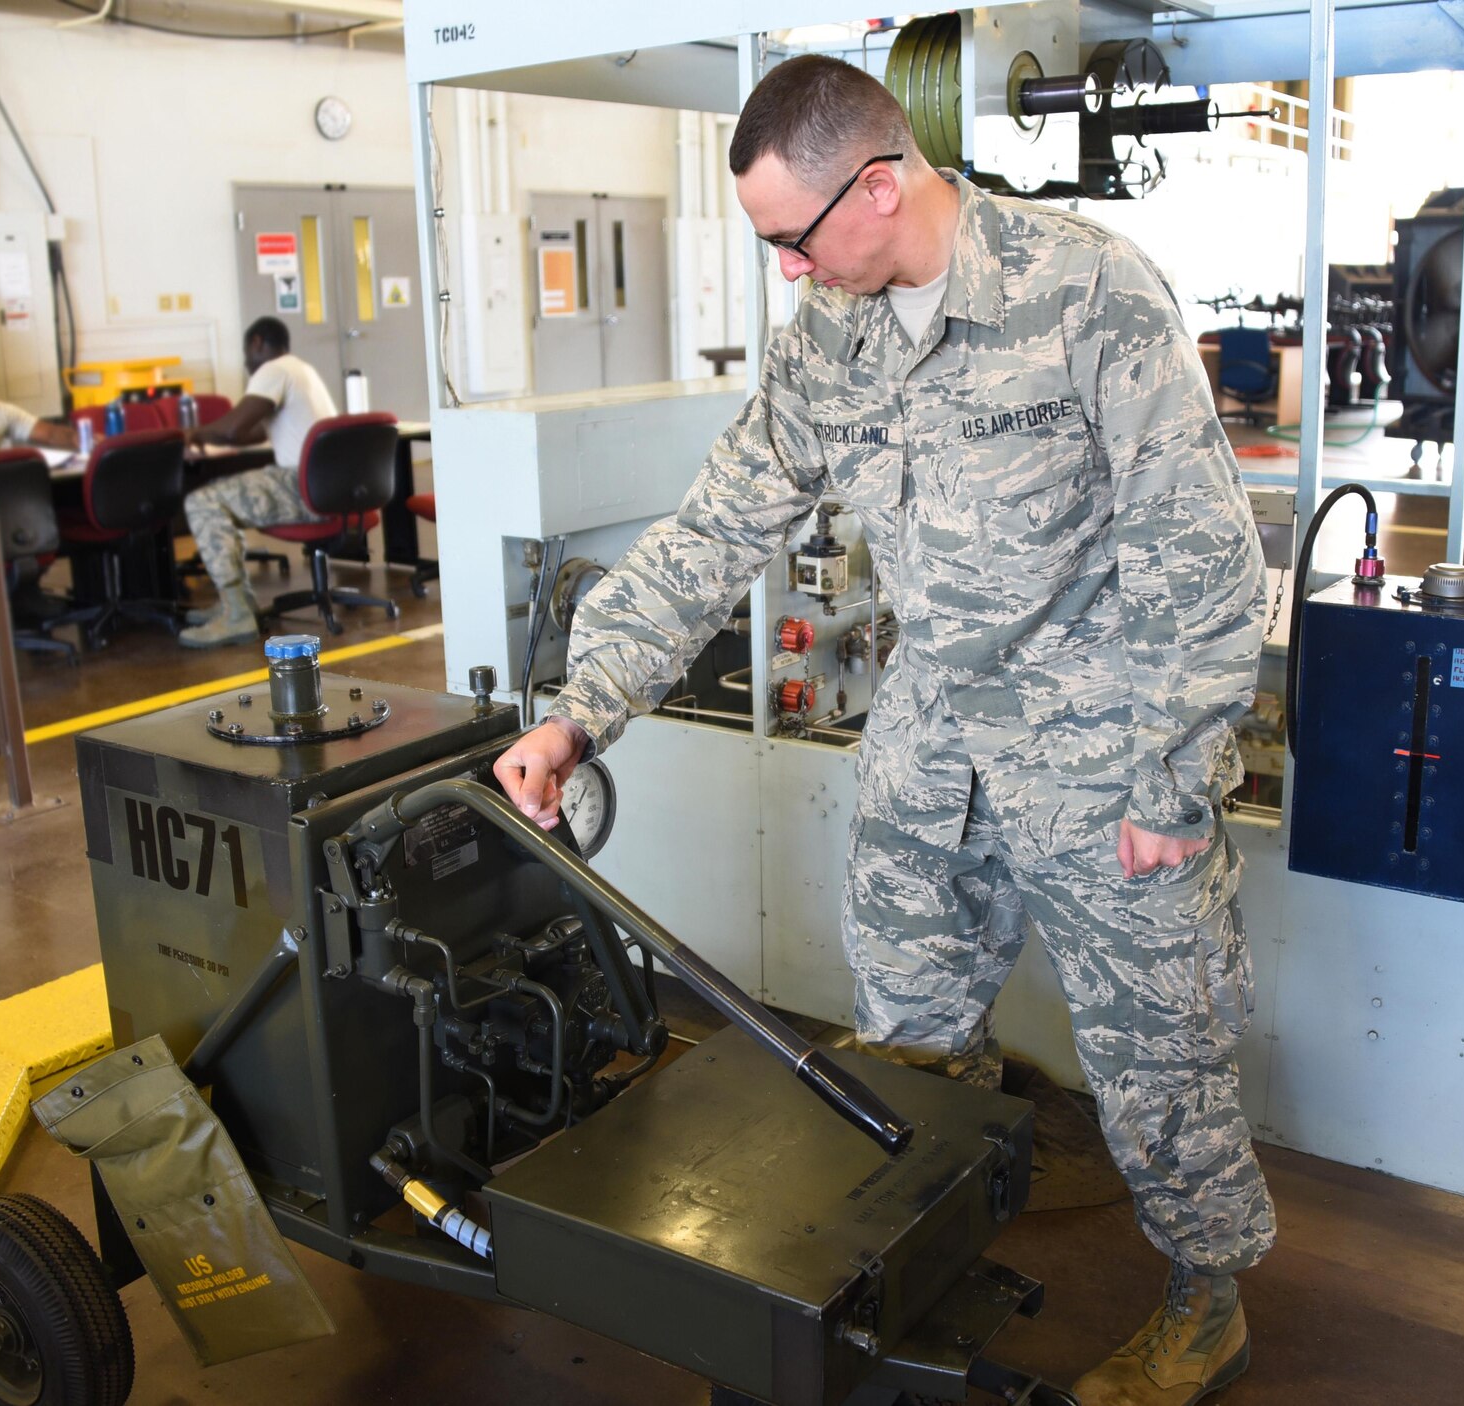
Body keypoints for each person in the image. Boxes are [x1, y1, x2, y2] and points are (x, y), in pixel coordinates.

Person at [492, 56, 1271, 1406]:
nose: (785, 272)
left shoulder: (1088, 292)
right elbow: (717, 525)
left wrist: (1172, 780)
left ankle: (1208, 1301)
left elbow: (1200, 556)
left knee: (1161, 1052)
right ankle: (929, 1256)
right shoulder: (828, 340)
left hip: (1104, 754)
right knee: (905, 1043)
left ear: (880, 184)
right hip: (932, 750)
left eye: (793, 239)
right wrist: (581, 708)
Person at [177, 317, 337, 648]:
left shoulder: (273, 370)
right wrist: (214, 438)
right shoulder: (300, 371)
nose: (247, 363)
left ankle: (236, 615)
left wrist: (193, 434)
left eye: (246, 353)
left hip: (300, 486)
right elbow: (255, 432)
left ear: (257, 343)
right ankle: (238, 603)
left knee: (203, 501)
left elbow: (234, 428)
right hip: (326, 486)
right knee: (224, 498)